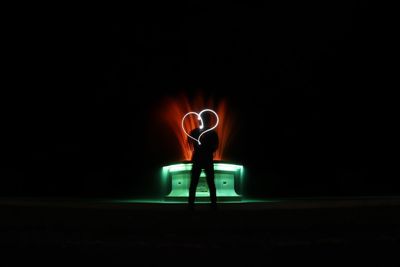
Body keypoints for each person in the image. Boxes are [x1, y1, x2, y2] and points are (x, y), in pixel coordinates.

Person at [187, 112, 219, 210]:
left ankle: (191, 205)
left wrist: (199, 147)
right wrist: (208, 150)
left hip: (198, 158)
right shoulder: (212, 132)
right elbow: (216, 146)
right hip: (207, 158)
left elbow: (189, 143)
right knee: (210, 182)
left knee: (195, 182)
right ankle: (213, 204)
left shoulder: (194, 131)